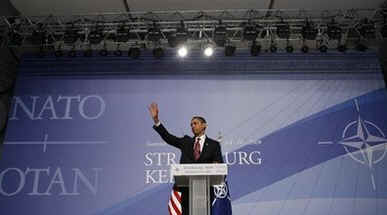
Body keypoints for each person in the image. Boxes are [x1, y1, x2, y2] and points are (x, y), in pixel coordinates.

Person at [148, 102, 224, 215]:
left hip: (206, 192)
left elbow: (218, 163)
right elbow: (168, 138)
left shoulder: (214, 144)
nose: (192, 126)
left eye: (195, 123)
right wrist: (156, 121)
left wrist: (216, 165)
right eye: (191, 124)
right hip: (187, 191)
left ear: (204, 125)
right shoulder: (186, 142)